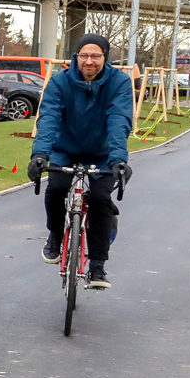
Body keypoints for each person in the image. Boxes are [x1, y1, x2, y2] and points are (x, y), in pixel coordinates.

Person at [26, 33, 132, 289]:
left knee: (99, 200)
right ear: (76, 57)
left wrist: (118, 159)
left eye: (96, 55)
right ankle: (55, 235)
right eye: (84, 55)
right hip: (66, 149)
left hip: (103, 153)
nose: (89, 61)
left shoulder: (119, 82)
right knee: (56, 189)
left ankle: (97, 265)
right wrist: (39, 154)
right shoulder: (60, 82)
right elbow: (49, 117)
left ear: (105, 58)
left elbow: (119, 120)